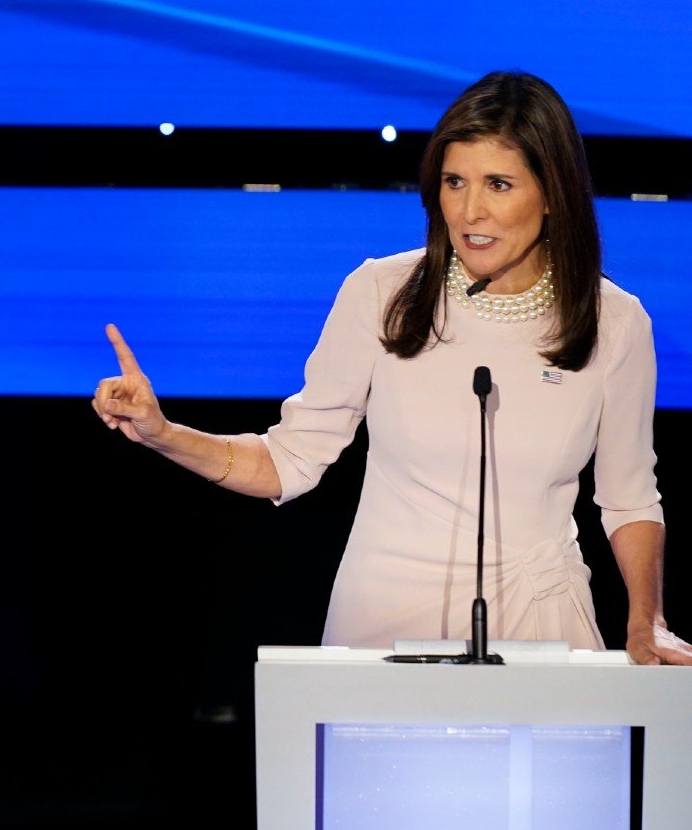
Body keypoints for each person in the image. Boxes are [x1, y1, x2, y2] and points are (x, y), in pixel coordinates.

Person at [91, 71, 691, 665]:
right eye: (454, 182)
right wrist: (164, 435)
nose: (470, 211)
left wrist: (648, 621)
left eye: (499, 185)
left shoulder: (614, 323)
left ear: (553, 192)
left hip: (540, 627)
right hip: (385, 628)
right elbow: (288, 461)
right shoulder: (382, 293)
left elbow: (630, 499)